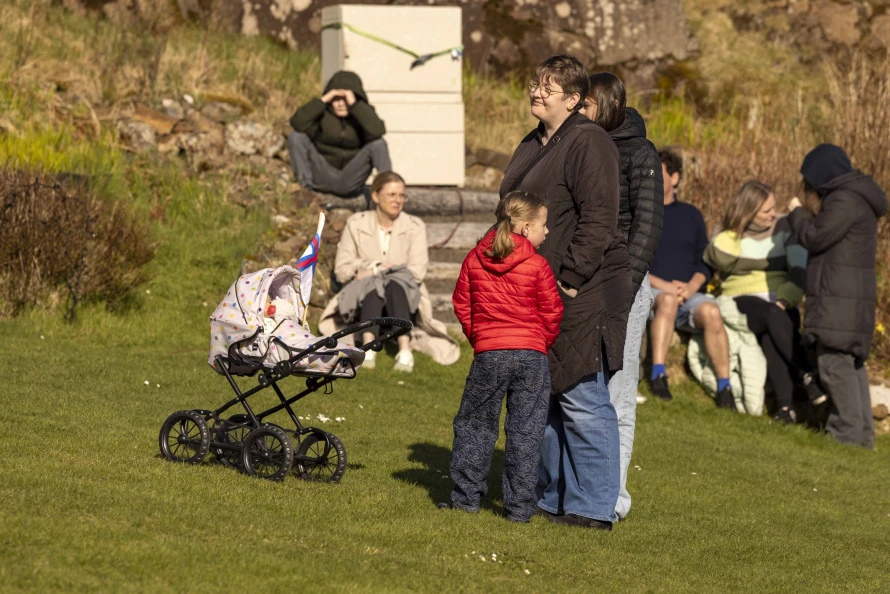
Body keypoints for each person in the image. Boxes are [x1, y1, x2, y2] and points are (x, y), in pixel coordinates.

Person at [500, 54, 631, 531]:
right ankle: (554, 498)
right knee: (549, 392)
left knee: (581, 394)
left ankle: (594, 506)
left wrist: (570, 280)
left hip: (582, 288)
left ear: (574, 99)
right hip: (537, 287)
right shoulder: (533, 142)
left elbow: (599, 218)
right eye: (535, 84)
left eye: (548, 87)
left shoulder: (589, 141)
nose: (537, 92)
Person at [443, 192, 563, 523]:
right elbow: (553, 312)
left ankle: (465, 501)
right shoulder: (538, 265)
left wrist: (481, 338)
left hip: (489, 354)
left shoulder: (473, 258)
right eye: (543, 225)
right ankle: (520, 510)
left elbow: (462, 303)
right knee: (526, 432)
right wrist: (538, 342)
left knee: (475, 426)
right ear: (525, 228)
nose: (547, 231)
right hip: (531, 357)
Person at [583, 72, 663, 521]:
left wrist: (624, 290)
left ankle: (612, 499)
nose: (580, 110)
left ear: (609, 104)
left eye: (587, 103)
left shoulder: (640, 151)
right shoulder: (582, 145)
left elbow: (647, 226)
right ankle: (577, 489)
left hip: (624, 285)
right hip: (583, 280)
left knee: (617, 393)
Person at [787, 144, 888, 448]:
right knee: (851, 366)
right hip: (850, 302)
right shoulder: (858, 197)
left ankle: (844, 435)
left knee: (834, 365)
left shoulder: (844, 199)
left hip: (838, 303)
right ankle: (862, 439)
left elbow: (815, 236)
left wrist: (796, 213)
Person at [704, 180, 823, 423]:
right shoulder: (727, 234)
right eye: (767, 210)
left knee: (771, 332)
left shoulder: (785, 227)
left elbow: (798, 270)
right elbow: (719, 257)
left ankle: (786, 409)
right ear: (749, 212)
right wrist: (737, 228)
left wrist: (785, 300)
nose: (773, 214)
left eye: (774, 207)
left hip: (779, 302)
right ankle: (806, 373)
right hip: (739, 300)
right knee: (770, 315)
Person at [318, 171, 459, 371]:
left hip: (402, 295)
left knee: (393, 285)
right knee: (373, 286)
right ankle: (369, 348)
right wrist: (375, 268)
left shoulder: (414, 226)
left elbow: (417, 271)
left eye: (401, 195)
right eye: (392, 195)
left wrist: (379, 272)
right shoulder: (356, 223)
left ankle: (405, 350)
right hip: (362, 297)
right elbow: (342, 269)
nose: (398, 200)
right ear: (376, 196)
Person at [648, 149, 733, 408]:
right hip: (654, 292)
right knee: (667, 301)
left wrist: (691, 287)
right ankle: (658, 375)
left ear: (675, 178)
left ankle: (725, 388)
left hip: (688, 294)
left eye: (659, 172)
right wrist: (666, 287)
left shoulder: (692, 215)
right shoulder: (644, 214)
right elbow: (632, 263)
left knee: (711, 311)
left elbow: (704, 262)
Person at [287, 70, 391, 197]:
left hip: (350, 177)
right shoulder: (322, 114)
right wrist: (323, 100)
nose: (341, 104)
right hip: (322, 174)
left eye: (345, 99)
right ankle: (304, 189)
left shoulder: (363, 114)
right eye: (336, 99)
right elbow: (297, 122)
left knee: (379, 144)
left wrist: (355, 106)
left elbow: (378, 131)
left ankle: (388, 190)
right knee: (296, 137)